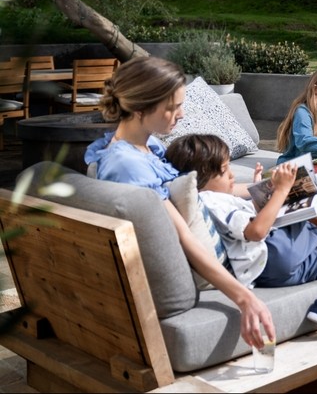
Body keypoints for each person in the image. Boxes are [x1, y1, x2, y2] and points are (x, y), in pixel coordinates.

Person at [84, 56, 274, 350]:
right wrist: (244, 298)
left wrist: (262, 189)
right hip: (231, 255)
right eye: (173, 107)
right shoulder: (129, 167)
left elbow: (194, 193)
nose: (182, 115)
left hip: (227, 226)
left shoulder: (147, 146)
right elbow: (184, 235)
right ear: (140, 108)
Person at [165, 133, 317, 339]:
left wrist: (263, 192)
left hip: (271, 257)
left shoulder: (213, 199)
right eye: (224, 171)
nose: (231, 175)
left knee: (308, 203)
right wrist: (281, 190)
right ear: (200, 178)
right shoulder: (216, 201)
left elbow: (245, 224)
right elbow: (256, 232)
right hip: (277, 259)